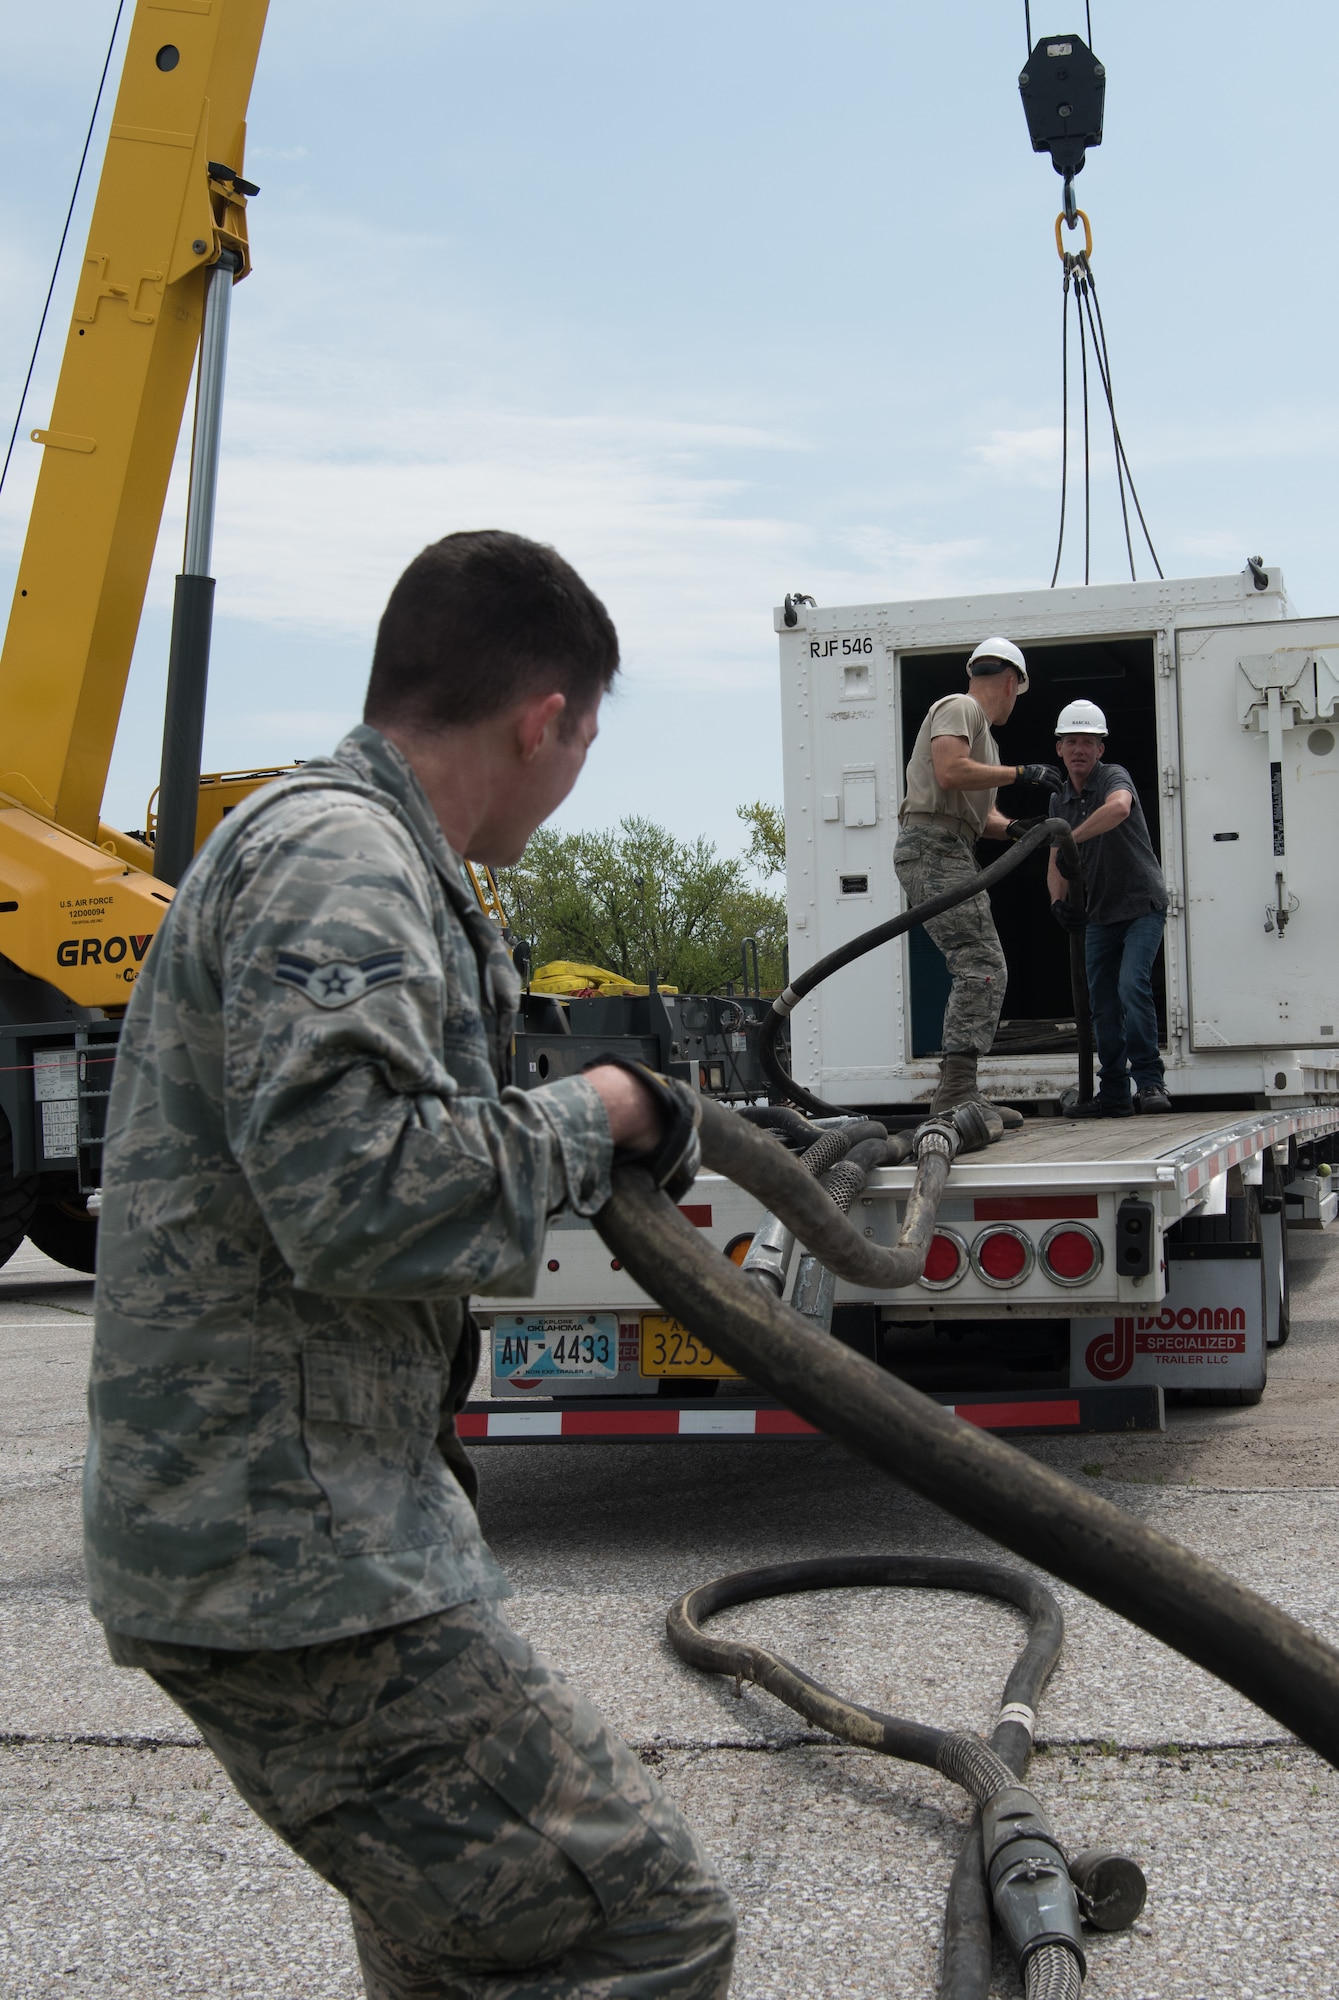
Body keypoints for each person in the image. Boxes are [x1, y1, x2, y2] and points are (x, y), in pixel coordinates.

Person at [84, 530, 736, 1999]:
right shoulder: (343, 861)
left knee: (461, 1943)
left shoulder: (356, 853)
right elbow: (359, 1194)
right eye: (585, 743)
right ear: (543, 718)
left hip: (306, 1540)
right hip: (296, 1566)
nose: (576, 778)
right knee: (642, 1927)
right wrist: (608, 1112)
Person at [894, 636, 1053, 1122]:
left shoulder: (982, 732)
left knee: (980, 962)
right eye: (1016, 694)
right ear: (1010, 683)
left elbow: (975, 815)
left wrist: (1019, 829)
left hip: (952, 845)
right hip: (934, 848)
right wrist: (1022, 774)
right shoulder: (961, 708)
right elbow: (949, 772)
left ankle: (964, 1088)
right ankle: (957, 1091)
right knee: (981, 963)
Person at [1045, 699, 1172, 1118]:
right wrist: (1058, 902)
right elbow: (1054, 861)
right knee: (1100, 1004)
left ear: (1101, 749)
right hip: (1098, 913)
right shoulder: (1059, 801)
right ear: (1059, 748)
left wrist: (1072, 839)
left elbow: (1118, 808)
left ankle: (1150, 1083)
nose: (1079, 749)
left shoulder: (1114, 777)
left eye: (1088, 741)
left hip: (1140, 905)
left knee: (1131, 986)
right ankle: (1115, 1093)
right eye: (1071, 742)